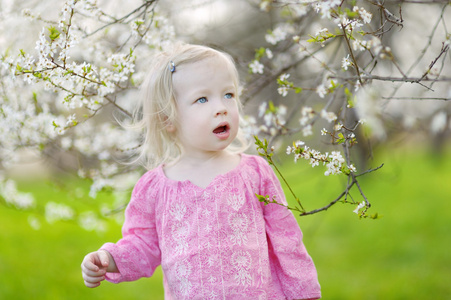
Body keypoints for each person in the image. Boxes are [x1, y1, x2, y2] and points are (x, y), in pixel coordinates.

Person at [81, 43, 321, 300]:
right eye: (202, 99)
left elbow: (287, 241)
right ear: (168, 119)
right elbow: (142, 245)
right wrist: (109, 258)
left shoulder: (254, 173)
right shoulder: (155, 188)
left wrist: (305, 293)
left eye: (228, 94)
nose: (221, 107)